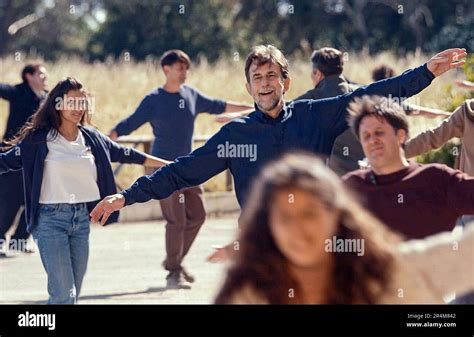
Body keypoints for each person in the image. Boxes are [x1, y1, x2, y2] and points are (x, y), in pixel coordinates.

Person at [90, 45, 466, 258]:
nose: (265, 83)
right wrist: (126, 195)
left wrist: (426, 72)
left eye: (272, 76)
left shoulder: (315, 116)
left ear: (285, 81)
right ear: (249, 87)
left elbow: (369, 96)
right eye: (258, 77)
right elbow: (181, 172)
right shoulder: (234, 135)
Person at [214, 153, 474, 304]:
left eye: (309, 214)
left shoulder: (391, 273)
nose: (298, 230)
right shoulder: (248, 293)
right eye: (284, 218)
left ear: (336, 214)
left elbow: (466, 253)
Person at [0, 77, 169, 304]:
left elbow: (127, 154)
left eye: (82, 102)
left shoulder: (92, 138)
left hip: (81, 221)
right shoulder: (39, 140)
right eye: (72, 102)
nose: (79, 108)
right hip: (49, 221)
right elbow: (7, 161)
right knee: (62, 296)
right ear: (58, 104)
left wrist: (171, 166)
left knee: (72, 294)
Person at [108, 49, 253, 288]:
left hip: (190, 167)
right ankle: (173, 272)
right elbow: (131, 122)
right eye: (180, 67)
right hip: (163, 169)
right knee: (176, 221)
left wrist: (254, 106)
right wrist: (110, 136)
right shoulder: (154, 99)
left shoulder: (191, 95)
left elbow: (220, 105)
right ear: (167, 69)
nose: (184, 71)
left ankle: (173, 262)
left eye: (186, 67)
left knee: (198, 216)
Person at [343, 95, 474, 239]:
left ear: (401, 136)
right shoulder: (350, 187)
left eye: (379, 133)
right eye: (366, 136)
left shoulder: (437, 180)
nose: (373, 140)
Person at [0, 64, 48, 256]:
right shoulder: (18, 92)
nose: (45, 76)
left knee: (33, 200)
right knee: (9, 200)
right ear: (29, 76)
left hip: (37, 156)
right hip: (12, 155)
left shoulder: (48, 97)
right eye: (41, 73)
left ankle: (19, 241)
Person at [405, 99, 474, 225]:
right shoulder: (468, 112)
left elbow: (433, 137)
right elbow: (432, 137)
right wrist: (394, 154)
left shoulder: (468, 111)